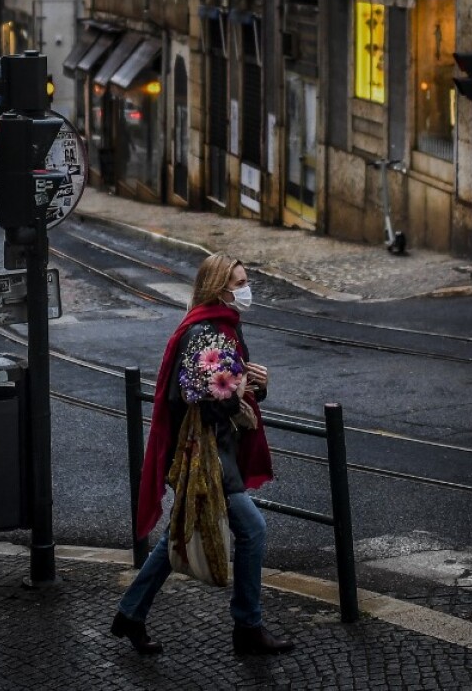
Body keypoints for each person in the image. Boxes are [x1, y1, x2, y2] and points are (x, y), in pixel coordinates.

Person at [112, 252, 294, 656]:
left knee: (179, 532)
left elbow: (234, 386)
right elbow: (192, 400)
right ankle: (247, 626)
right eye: (240, 283)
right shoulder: (202, 333)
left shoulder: (226, 325)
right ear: (218, 288)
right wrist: (236, 395)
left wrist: (257, 385)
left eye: (246, 281)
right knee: (253, 529)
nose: (246, 290)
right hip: (206, 454)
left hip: (220, 448)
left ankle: (130, 613)